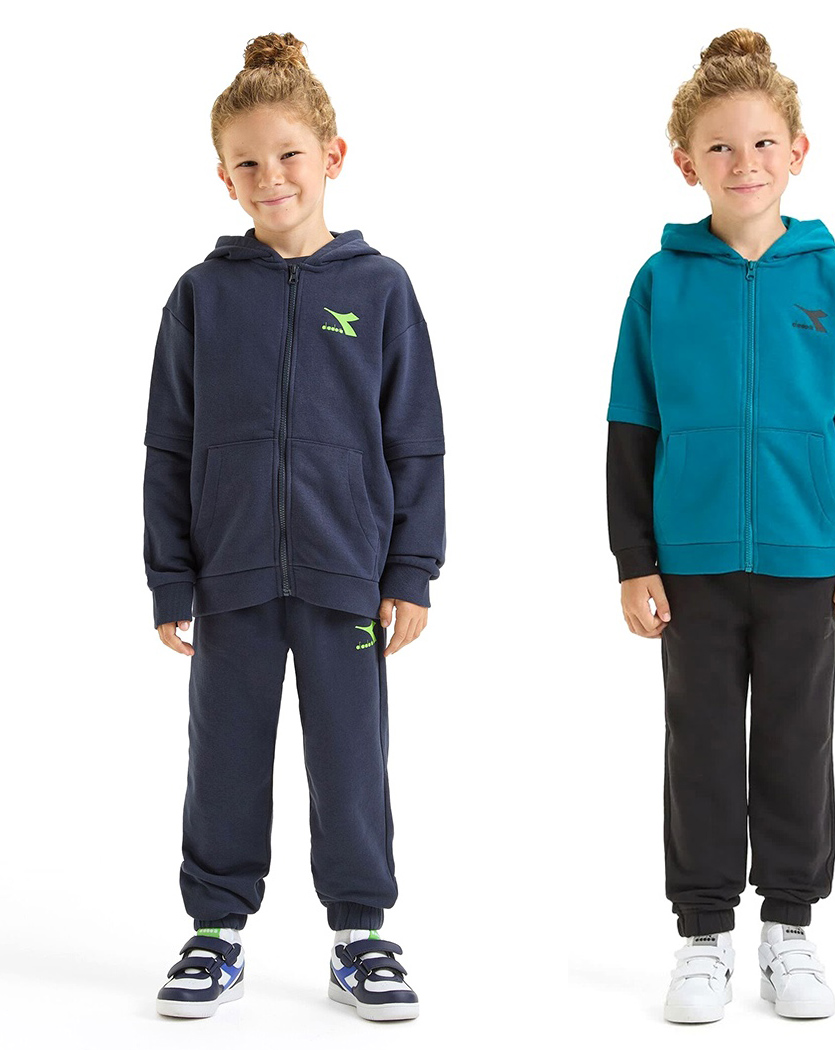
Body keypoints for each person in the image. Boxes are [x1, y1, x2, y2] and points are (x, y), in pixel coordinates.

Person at [143, 32, 444, 1022]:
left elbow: (415, 441)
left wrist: (410, 568)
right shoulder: (201, 296)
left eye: (288, 155)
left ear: (332, 156)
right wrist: (170, 574)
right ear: (223, 177)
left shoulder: (381, 289)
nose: (270, 177)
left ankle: (361, 935)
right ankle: (214, 931)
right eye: (247, 163)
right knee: (223, 757)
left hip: (346, 575)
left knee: (351, 760)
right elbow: (169, 444)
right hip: (228, 576)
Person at [605, 28, 835, 1023]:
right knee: (699, 745)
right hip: (690, 563)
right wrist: (634, 560)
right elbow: (631, 428)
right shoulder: (660, 281)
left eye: (764, 143)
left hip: (808, 557)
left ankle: (790, 929)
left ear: (798, 151)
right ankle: (702, 937)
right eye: (720, 147)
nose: (744, 163)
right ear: (686, 162)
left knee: (797, 742)